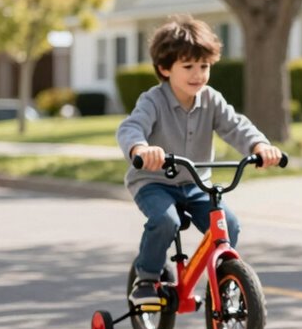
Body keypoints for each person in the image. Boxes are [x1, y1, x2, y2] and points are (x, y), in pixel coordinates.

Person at [116, 15, 282, 309]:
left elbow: (236, 126)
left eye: (204, 66)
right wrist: (141, 148)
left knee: (228, 224)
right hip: (155, 183)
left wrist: (260, 146)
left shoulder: (212, 99)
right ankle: (146, 277)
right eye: (188, 66)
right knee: (166, 221)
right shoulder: (152, 100)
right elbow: (131, 128)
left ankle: (224, 278)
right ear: (165, 68)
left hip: (195, 184)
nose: (198, 74)